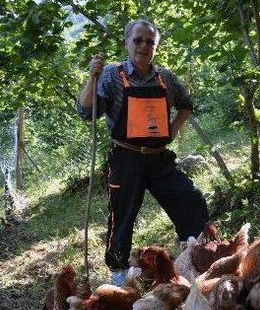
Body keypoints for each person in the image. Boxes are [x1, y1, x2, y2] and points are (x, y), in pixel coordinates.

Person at [77, 19, 209, 286]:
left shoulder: (166, 79)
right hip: (126, 158)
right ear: (127, 42)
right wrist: (91, 78)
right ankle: (119, 275)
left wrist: (171, 131)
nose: (144, 46)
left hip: (159, 159)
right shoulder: (112, 75)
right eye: (138, 40)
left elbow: (186, 105)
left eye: (150, 42)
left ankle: (195, 259)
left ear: (156, 47)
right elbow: (86, 112)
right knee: (122, 216)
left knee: (191, 200)